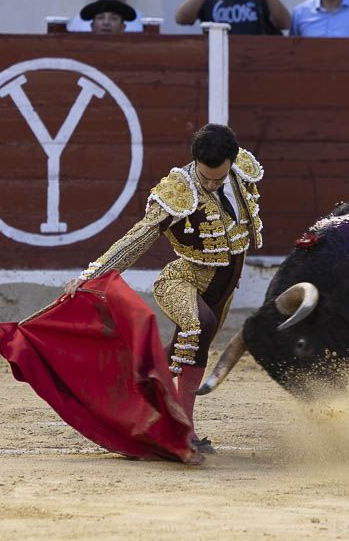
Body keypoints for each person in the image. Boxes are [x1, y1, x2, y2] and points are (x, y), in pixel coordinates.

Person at [62, 123, 264, 453]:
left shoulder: (240, 171)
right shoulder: (178, 190)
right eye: (205, 177)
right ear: (194, 162)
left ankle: (129, 405)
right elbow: (140, 237)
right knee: (200, 327)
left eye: (218, 178)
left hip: (223, 289)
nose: (211, 184)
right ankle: (184, 432)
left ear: (232, 161)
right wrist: (93, 274)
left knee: (181, 354)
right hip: (182, 280)